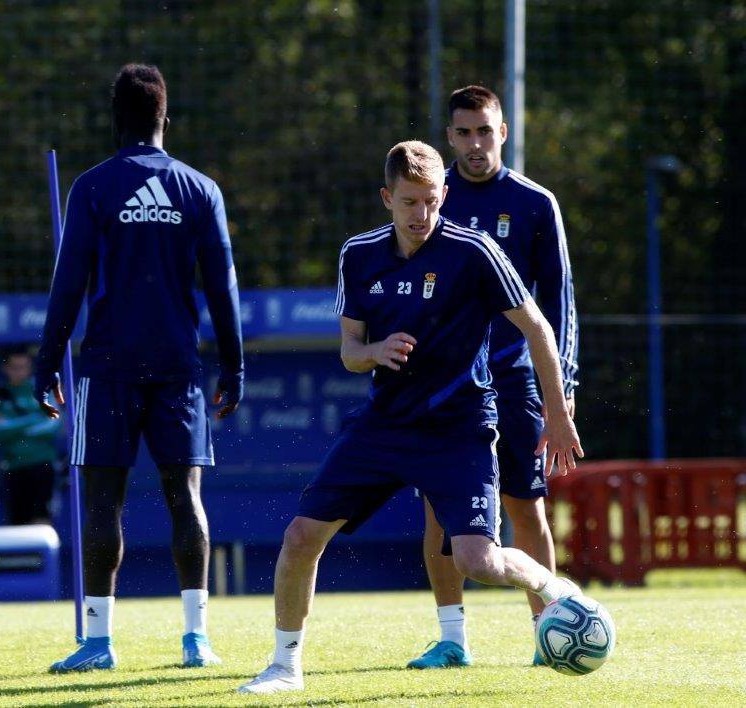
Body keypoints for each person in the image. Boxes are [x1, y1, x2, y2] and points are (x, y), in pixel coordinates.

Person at [237, 141, 583, 695]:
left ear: (444, 194)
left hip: (460, 428)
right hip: (385, 425)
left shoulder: (476, 251)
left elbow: (538, 329)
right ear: (386, 199)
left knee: (478, 559)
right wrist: (374, 353)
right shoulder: (359, 254)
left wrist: (558, 413)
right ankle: (284, 667)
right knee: (301, 536)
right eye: (408, 202)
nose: (421, 215)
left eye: (430, 201)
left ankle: (550, 584)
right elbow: (350, 350)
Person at [35, 63, 244, 671]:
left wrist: (48, 362)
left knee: (104, 501)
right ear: (164, 120)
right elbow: (223, 287)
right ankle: (196, 639)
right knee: (186, 497)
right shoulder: (201, 190)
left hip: (107, 367)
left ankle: (98, 644)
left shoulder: (93, 187)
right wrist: (233, 365)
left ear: (114, 121)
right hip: (179, 367)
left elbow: (67, 285)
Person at [406, 85, 579, 670]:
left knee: (524, 506)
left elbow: (559, 305)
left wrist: (564, 389)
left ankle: (548, 634)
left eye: (485, 131)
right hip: (446, 386)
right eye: (463, 132)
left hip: (514, 379)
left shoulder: (535, 204)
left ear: (503, 131)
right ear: (448, 137)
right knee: (437, 511)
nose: (475, 143)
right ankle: (453, 639)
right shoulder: (433, 202)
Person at [0, 346, 63, 525]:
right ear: (5, 368)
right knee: (16, 523)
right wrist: (35, 418)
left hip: (42, 465)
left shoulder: (45, 388)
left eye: (24, 367)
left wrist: (15, 428)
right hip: (12, 466)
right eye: (15, 367)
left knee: (42, 519)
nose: (20, 372)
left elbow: (53, 425)